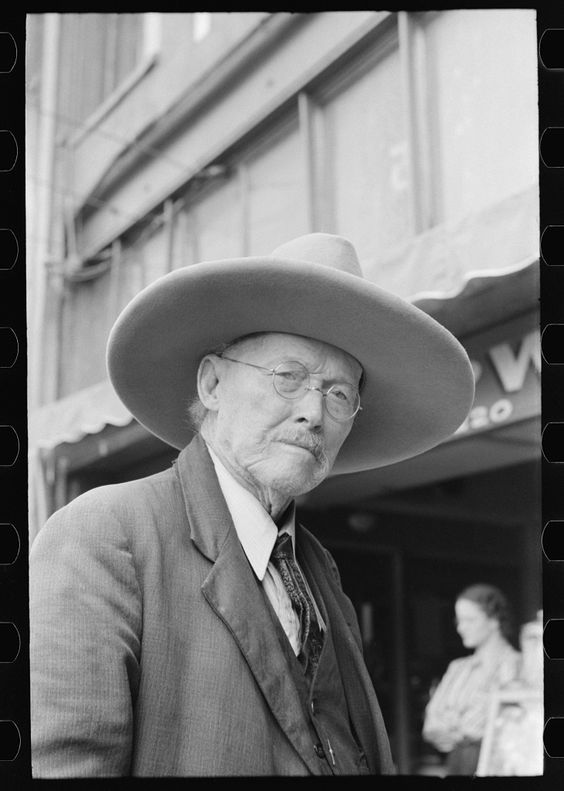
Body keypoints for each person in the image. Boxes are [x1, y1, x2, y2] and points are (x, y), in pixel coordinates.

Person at [30, 232, 475, 777]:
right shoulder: (105, 535)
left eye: (339, 394)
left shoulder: (317, 569)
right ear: (212, 383)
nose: (314, 412)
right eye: (289, 377)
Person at [422, 583, 521, 776]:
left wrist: (454, 722)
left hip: (497, 767)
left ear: (494, 620)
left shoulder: (516, 664)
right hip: (457, 764)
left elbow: (496, 726)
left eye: (469, 620)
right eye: (458, 621)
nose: (461, 628)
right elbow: (432, 721)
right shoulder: (458, 668)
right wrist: (465, 727)